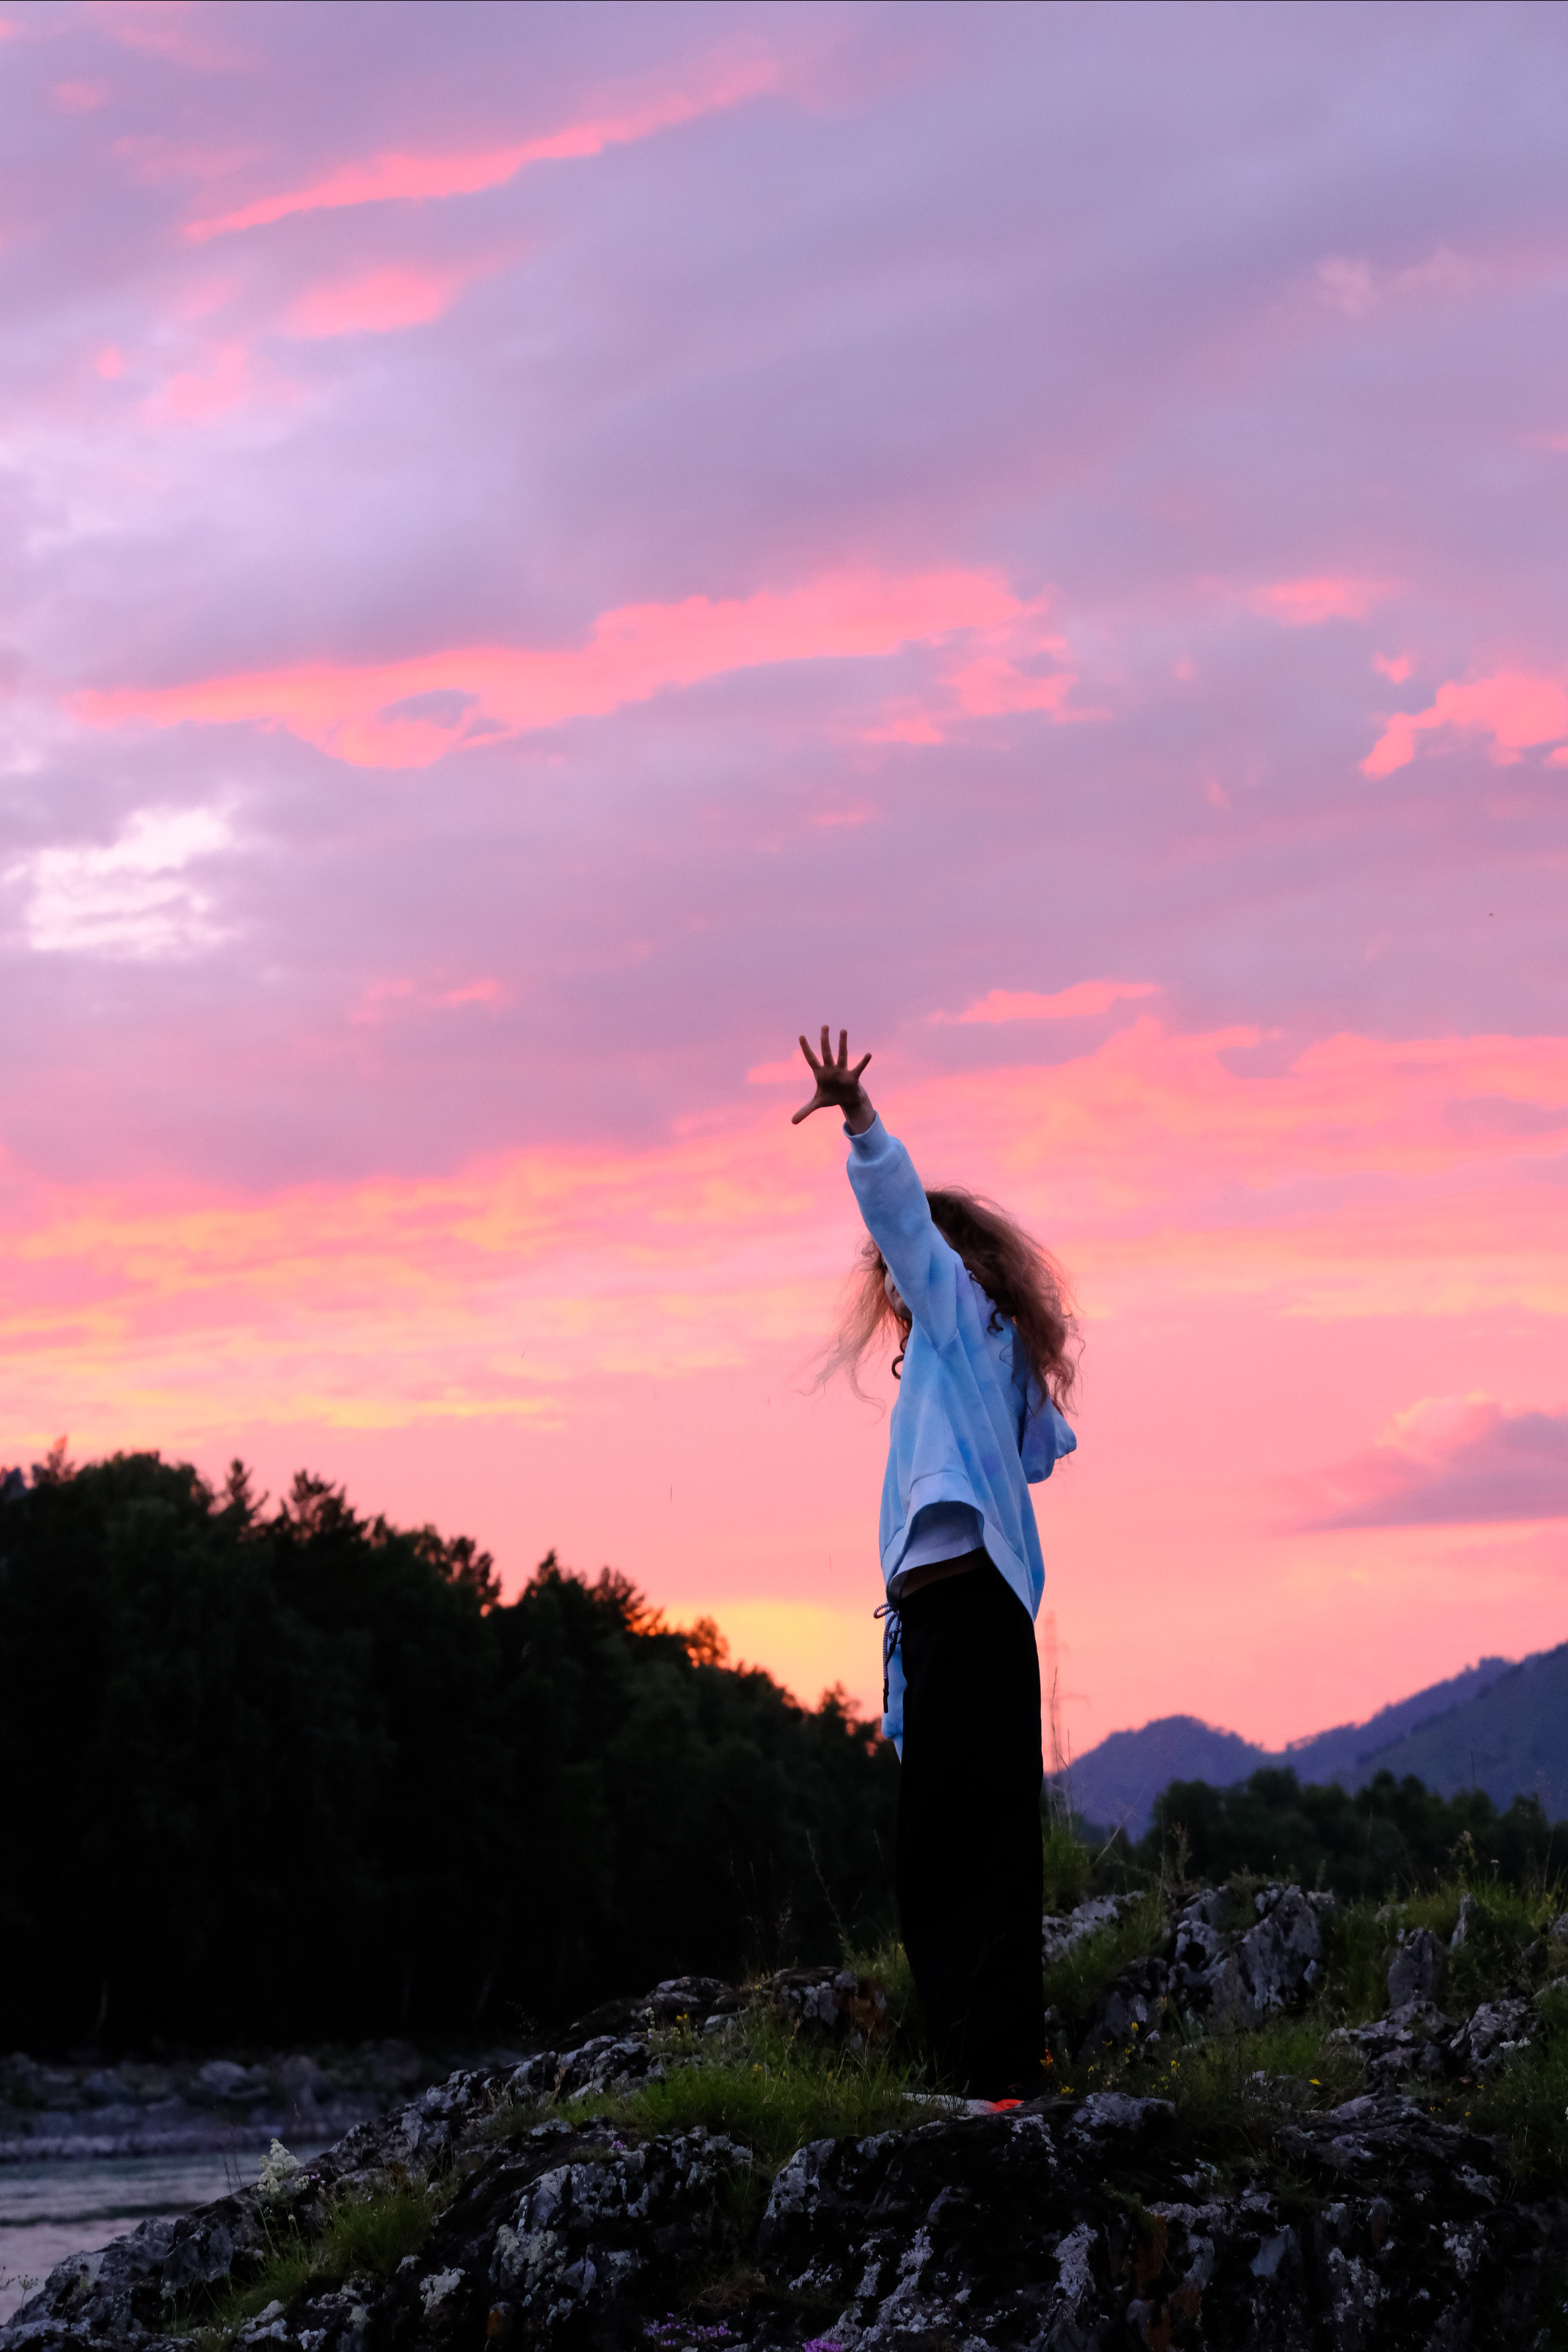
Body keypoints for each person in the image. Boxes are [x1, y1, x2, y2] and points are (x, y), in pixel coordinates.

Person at [792, 1025, 1079, 2100]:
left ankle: (993, 2072)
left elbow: (907, 1225)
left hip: (969, 1621)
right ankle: (989, 2065)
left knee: (959, 1854)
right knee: (973, 1846)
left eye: (905, 1278)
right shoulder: (985, 1357)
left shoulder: (963, 1324)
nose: (896, 1292)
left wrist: (861, 1124)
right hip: (966, 1626)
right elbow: (1038, 1454)